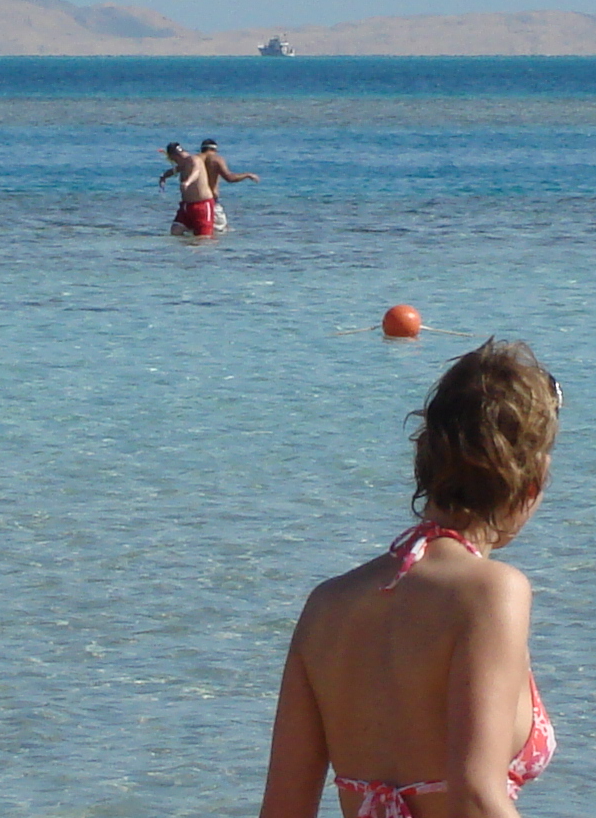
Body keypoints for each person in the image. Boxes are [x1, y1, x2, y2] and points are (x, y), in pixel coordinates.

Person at [259, 339, 562, 818]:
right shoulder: (491, 593)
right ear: (531, 485)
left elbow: (282, 810)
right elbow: (475, 795)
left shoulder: (327, 605)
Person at [200, 138, 260, 233]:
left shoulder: (194, 160)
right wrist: (247, 175)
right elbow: (230, 178)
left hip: (192, 201)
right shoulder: (216, 159)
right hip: (211, 201)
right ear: (215, 150)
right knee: (220, 231)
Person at [158, 142, 217, 237]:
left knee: (203, 237)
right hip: (186, 206)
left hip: (202, 205)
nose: (174, 162)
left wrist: (188, 182)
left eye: (173, 159)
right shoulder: (183, 163)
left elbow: (196, 171)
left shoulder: (194, 159)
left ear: (175, 156)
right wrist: (164, 176)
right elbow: (175, 170)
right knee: (176, 230)